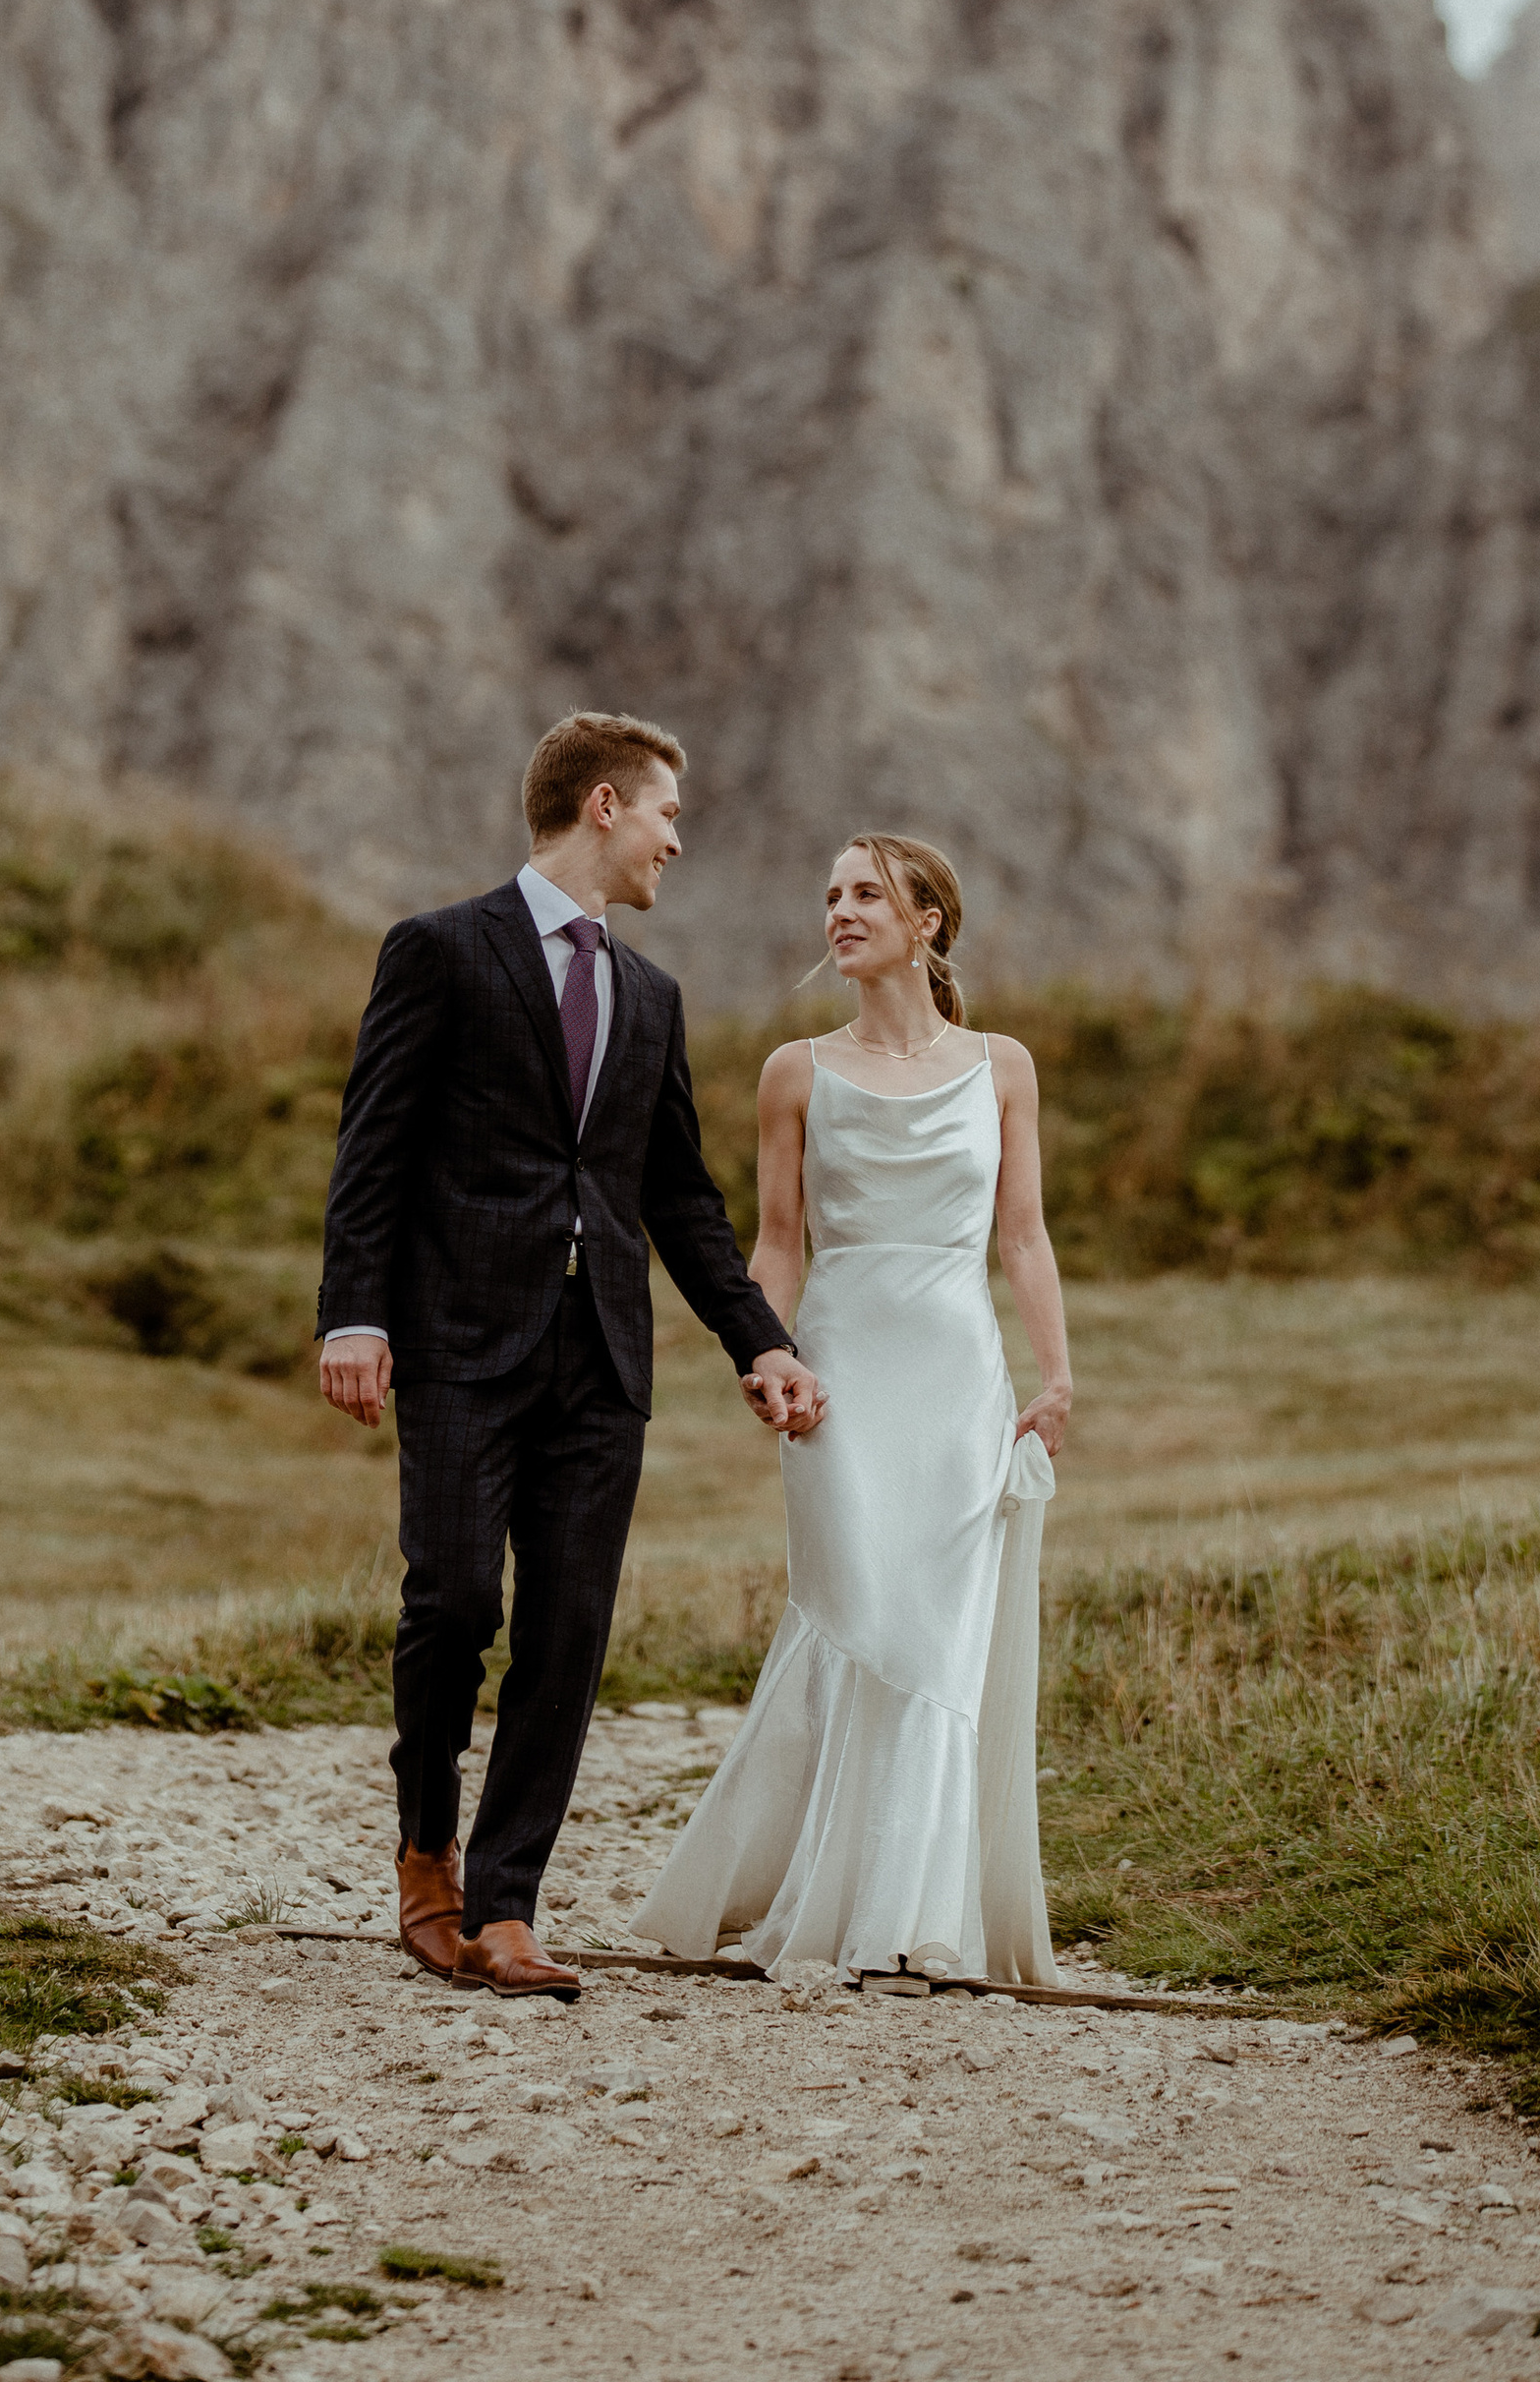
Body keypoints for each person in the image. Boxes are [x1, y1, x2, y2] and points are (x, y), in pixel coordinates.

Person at [316, 713, 827, 2000]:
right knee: (452, 1603)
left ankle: (507, 1905)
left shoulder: (651, 998)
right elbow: (372, 1152)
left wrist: (758, 1341)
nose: (676, 840)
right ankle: (425, 1858)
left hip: (602, 1359)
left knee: (569, 1626)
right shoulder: (438, 951)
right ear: (604, 807)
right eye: (665, 814)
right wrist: (354, 1315)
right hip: (460, 1344)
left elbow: (681, 1203)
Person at [634, 832, 1073, 1983]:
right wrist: (760, 1354)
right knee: (851, 1606)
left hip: (954, 1371)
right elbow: (775, 1244)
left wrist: (1056, 1375)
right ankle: (821, 1891)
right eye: (829, 894)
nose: (839, 911)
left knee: (936, 1630)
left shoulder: (1003, 1065)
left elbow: (1020, 1236)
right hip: (838, 1369)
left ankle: (919, 1915)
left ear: (927, 921)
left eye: (866, 893)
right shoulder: (794, 1070)